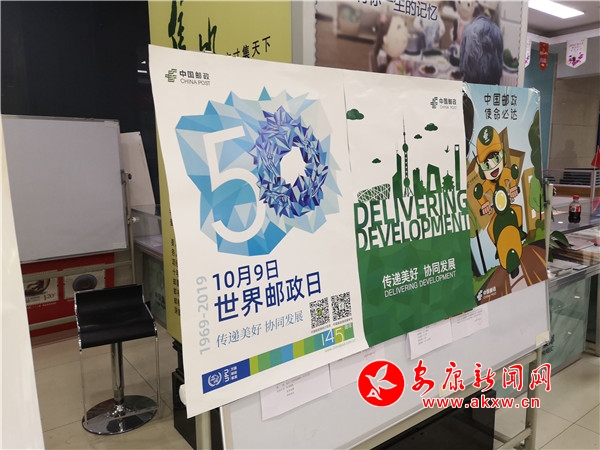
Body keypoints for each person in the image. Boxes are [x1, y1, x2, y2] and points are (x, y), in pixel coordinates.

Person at [459, 15, 503, 84]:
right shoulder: (497, 31)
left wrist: (461, 71)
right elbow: (500, 57)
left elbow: (462, 55)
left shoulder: (468, 29)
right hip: (492, 79)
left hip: (471, 78)